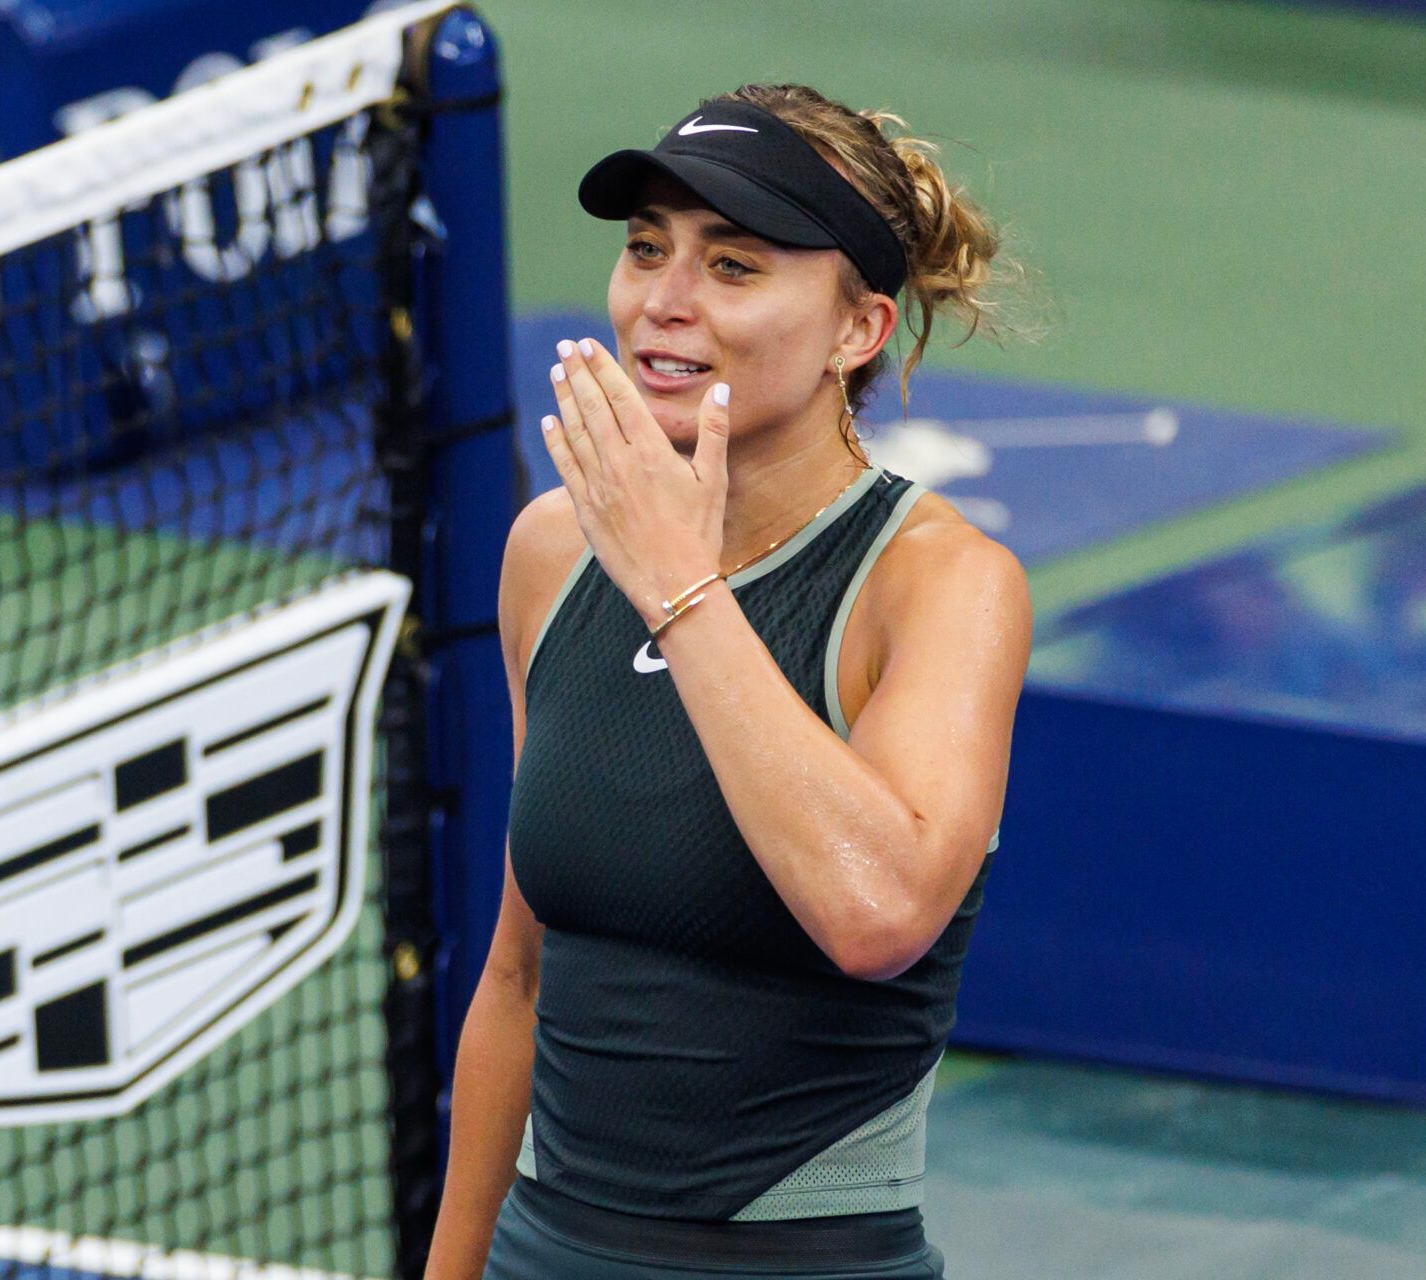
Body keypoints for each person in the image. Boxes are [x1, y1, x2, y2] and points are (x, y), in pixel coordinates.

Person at [425, 83, 1037, 1280]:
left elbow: (877, 911)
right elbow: (520, 972)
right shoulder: (553, 551)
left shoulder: (942, 585)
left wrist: (681, 588)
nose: (663, 299)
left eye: (734, 265)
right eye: (648, 248)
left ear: (858, 330)